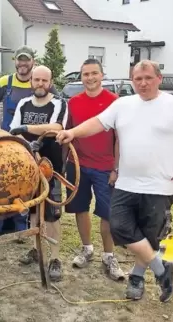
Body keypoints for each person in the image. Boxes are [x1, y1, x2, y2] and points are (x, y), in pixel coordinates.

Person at [56, 60, 173, 302]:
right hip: (126, 183)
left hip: (160, 185)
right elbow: (98, 123)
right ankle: (162, 269)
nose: (143, 83)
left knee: (148, 235)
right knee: (120, 227)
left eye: (148, 78)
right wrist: (73, 132)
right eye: (138, 79)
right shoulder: (122, 105)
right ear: (132, 80)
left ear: (159, 78)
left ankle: (136, 276)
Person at [0, 45, 60, 237]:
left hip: (34, 144)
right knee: (0, 181)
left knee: (24, 182)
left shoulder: (42, 83)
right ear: (15, 61)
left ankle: (20, 225)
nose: (23, 63)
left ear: (33, 62)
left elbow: (56, 105)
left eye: (27, 60)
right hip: (7, 140)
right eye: (20, 59)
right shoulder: (5, 82)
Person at [64, 58, 125, 281]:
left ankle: (109, 256)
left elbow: (120, 139)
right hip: (78, 165)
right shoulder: (72, 102)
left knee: (107, 213)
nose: (89, 78)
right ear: (81, 77)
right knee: (81, 208)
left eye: (94, 73)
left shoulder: (115, 102)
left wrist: (116, 168)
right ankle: (87, 248)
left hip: (104, 168)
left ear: (102, 75)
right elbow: (67, 133)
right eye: (85, 74)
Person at [6, 65, 67, 282]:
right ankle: (34, 248)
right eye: (36, 80)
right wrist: (24, 139)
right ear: (31, 81)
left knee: (52, 214)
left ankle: (55, 258)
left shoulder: (58, 103)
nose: (40, 84)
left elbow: (57, 127)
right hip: (28, 168)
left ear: (50, 82)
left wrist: (27, 129)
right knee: (32, 212)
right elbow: (14, 131)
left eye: (44, 80)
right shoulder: (23, 103)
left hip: (51, 168)